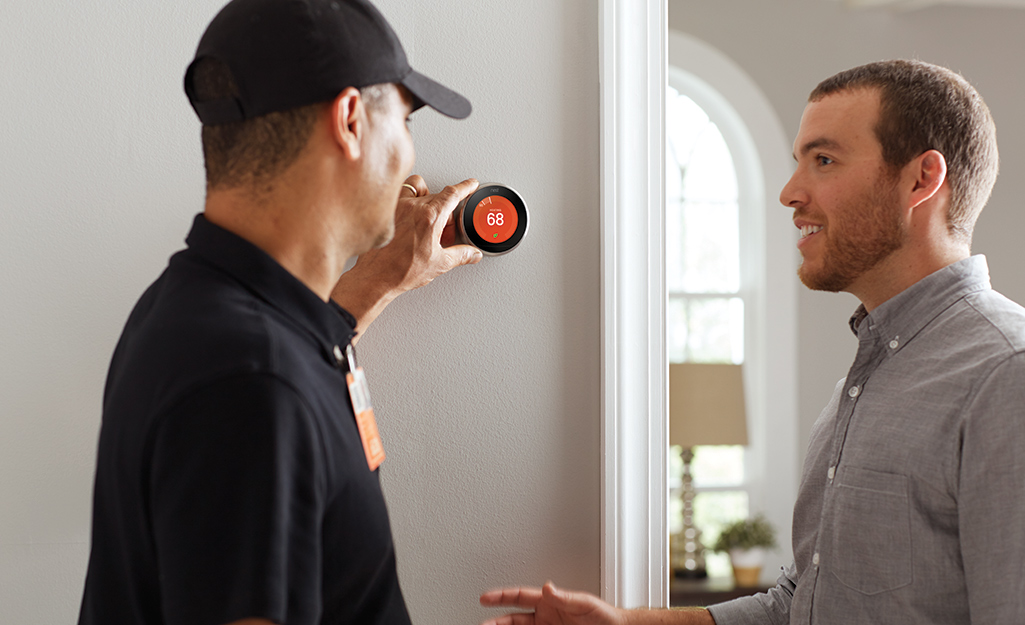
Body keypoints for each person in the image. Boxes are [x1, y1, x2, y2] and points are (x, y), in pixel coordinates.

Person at [481, 60, 1025, 625]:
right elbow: (799, 603)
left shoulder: (1007, 375)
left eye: (824, 160)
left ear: (921, 179)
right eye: (799, 163)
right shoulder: (861, 388)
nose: (791, 193)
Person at [76, 0, 482, 623]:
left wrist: (373, 287)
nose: (409, 152)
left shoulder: (190, 308)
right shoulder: (252, 384)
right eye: (405, 120)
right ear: (350, 120)